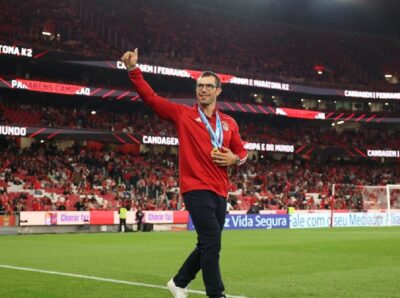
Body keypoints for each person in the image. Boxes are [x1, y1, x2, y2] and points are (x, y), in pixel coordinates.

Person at [121, 49, 247, 298]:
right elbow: (152, 99)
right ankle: (216, 294)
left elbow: (242, 152)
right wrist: (133, 70)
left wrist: (235, 159)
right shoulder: (184, 115)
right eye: (200, 86)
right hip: (195, 188)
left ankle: (179, 282)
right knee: (213, 242)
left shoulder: (230, 123)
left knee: (205, 244)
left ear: (218, 91)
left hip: (220, 191)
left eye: (209, 86)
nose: (203, 90)